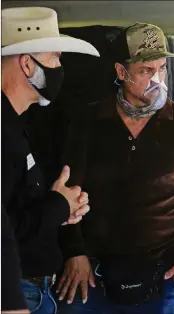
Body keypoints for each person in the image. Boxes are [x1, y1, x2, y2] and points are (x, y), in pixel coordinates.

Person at [55, 23, 174, 314]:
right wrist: (74, 251)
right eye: (145, 71)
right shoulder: (89, 122)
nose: (157, 79)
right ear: (121, 72)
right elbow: (66, 191)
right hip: (91, 272)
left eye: (162, 68)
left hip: (163, 271)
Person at [1, 7, 99, 313]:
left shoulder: (16, 124)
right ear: (28, 64)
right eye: (54, 57)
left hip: (30, 286)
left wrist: (61, 207)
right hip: (18, 290)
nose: (60, 67)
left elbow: (13, 209)